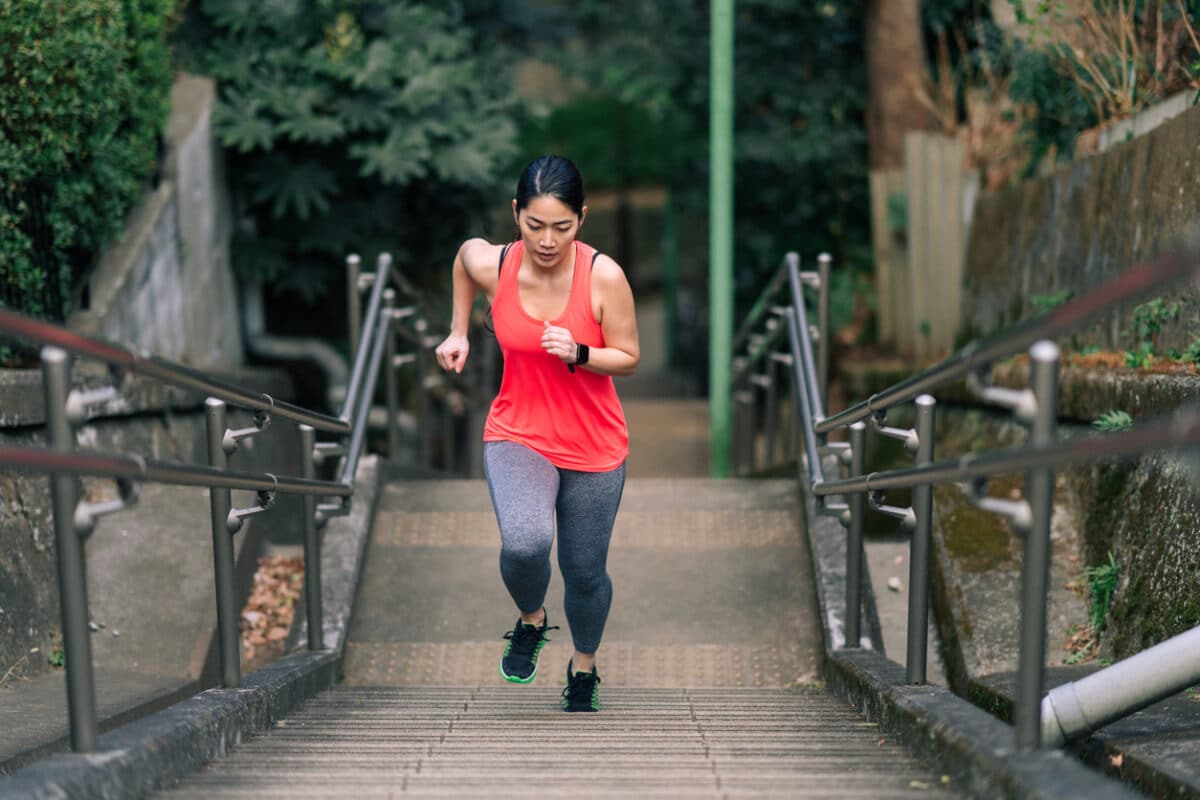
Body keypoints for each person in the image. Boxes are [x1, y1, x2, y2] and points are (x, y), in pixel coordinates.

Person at [434, 154, 639, 713]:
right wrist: (459, 332)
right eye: (535, 225)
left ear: (582, 219)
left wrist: (580, 352)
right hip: (516, 431)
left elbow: (628, 356)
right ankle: (531, 618)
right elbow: (462, 257)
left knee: (584, 571)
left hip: (594, 444)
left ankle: (583, 668)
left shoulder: (603, 276)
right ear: (516, 213)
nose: (548, 240)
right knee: (525, 542)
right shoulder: (496, 265)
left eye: (563, 227)